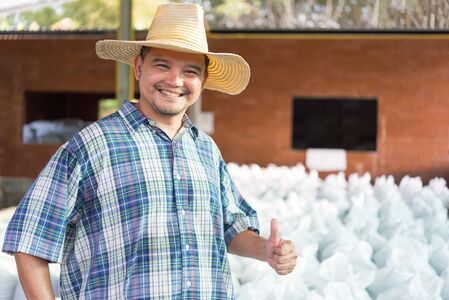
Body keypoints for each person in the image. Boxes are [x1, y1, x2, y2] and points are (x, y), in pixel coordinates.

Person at [2, 3, 297, 299]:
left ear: (203, 81)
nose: (175, 81)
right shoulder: (92, 146)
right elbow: (29, 241)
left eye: (190, 71)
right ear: (139, 67)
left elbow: (230, 228)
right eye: (162, 65)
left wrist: (265, 251)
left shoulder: (206, 150)